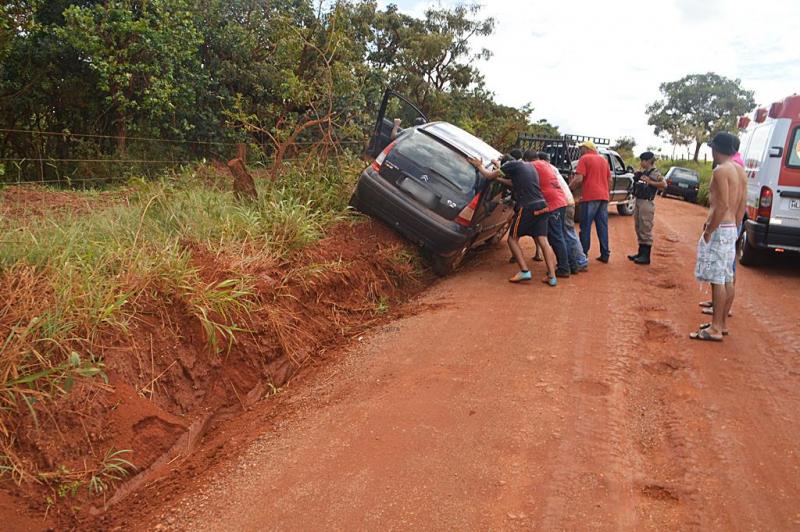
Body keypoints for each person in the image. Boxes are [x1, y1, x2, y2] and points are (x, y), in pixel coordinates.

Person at [468, 154, 558, 286]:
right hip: (543, 205)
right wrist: (499, 176)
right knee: (543, 240)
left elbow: (488, 176)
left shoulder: (510, 166)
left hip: (527, 207)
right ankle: (552, 276)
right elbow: (512, 182)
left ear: (506, 164)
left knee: (512, 239)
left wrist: (479, 166)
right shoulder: (529, 167)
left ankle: (524, 271)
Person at [690, 132, 746, 341]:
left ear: (715, 149)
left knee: (717, 278)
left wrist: (709, 230)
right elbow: (741, 204)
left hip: (721, 227)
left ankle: (714, 328)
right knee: (727, 276)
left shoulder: (721, 171)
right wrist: (736, 227)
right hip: (732, 227)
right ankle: (721, 324)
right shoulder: (739, 171)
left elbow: (721, 205)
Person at [524, 150, 571, 277]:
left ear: (527, 160)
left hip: (552, 204)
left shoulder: (532, 166)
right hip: (560, 201)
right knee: (560, 235)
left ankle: (563, 268)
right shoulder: (545, 164)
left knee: (556, 237)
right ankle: (568, 264)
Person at [540, 151, 588, 273]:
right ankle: (574, 262)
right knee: (566, 233)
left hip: (563, 203)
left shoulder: (544, 169)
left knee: (564, 235)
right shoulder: (552, 168)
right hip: (566, 201)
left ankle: (576, 262)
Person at [570, 140, 612, 262]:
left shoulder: (584, 159)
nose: (580, 151)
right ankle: (605, 254)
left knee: (586, 226)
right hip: (603, 197)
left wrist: (568, 188)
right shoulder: (604, 160)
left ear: (587, 149)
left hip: (590, 197)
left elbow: (578, 179)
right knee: (602, 226)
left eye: (581, 148)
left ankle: (583, 255)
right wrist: (606, 193)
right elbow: (610, 180)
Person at [627, 152, 666, 265]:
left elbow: (664, 185)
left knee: (645, 227)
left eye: (643, 160)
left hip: (647, 202)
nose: (641, 163)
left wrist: (650, 182)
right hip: (639, 201)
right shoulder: (644, 172)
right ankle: (640, 253)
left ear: (648, 161)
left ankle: (646, 256)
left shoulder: (654, 173)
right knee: (639, 226)